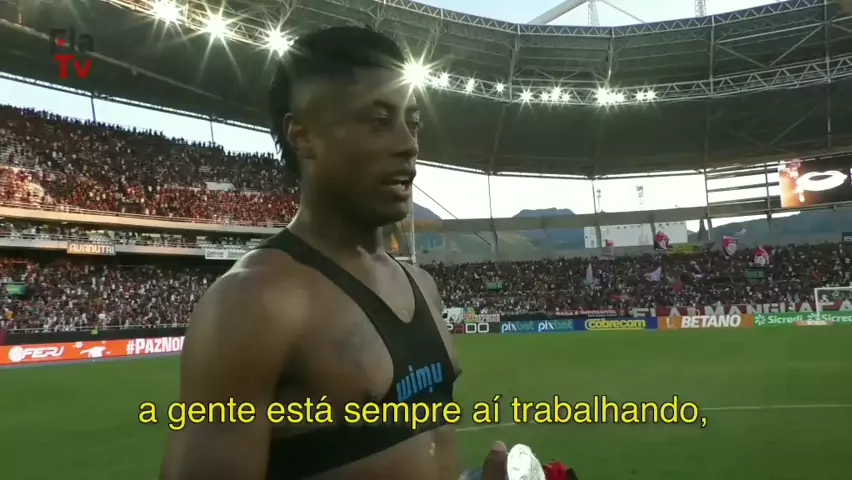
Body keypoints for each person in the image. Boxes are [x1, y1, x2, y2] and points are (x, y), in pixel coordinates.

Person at [159, 26, 509, 480]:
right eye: (378, 121)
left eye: (413, 123)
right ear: (303, 135)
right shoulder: (254, 302)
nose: (408, 144)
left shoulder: (422, 285)